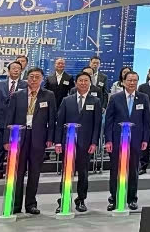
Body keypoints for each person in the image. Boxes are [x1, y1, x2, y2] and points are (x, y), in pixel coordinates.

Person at [5, 67, 57, 214]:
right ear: (27, 78)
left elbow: (52, 119)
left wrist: (50, 138)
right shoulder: (17, 95)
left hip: (38, 138)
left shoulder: (49, 95)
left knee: (34, 172)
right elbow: (9, 118)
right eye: (31, 77)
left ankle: (31, 204)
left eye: (37, 77)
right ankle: (16, 204)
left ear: (42, 79)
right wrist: (7, 140)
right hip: (19, 138)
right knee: (18, 172)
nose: (34, 80)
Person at [54, 72, 101, 213]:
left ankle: (81, 199)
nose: (83, 83)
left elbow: (97, 125)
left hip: (86, 144)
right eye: (81, 80)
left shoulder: (95, 101)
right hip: (68, 143)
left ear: (90, 83)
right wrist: (58, 142)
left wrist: (94, 142)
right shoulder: (66, 100)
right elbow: (59, 123)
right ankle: (64, 199)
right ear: (76, 83)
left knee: (83, 174)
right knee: (67, 173)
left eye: (86, 80)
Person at [104, 71, 150, 210]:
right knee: (115, 170)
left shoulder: (143, 98)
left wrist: (145, 139)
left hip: (136, 140)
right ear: (123, 82)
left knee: (133, 170)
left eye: (135, 80)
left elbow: (146, 121)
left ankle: (132, 198)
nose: (132, 83)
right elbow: (109, 121)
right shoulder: (115, 98)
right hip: (117, 140)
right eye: (129, 80)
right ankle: (114, 198)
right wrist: (108, 140)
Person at [0, 61, 26, 180]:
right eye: (13, 68)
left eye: (18, 68)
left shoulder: (25, 84)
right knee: (0, 147)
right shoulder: (0, 84)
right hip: (2, 121)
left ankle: (15, 170)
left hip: (18, 122)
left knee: (17, 147)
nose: (16, 70)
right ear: (8, 71)